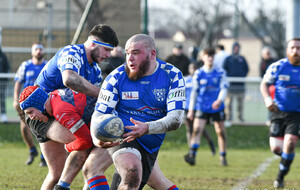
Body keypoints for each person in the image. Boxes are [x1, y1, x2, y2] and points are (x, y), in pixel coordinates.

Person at [27, 24, 119, 190]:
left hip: (63, 113)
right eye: (106, 49)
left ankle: (67, 185)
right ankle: (64, 186)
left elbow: (92, 104)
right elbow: (69, 79)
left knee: (56, 173)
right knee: (87, 142)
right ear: (93, 43)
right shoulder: (72, 52)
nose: (108, 55)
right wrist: (103, 94)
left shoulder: (96, 70)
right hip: (40, 113)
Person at [90, 34, 185, 189]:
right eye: (127, 53)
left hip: (151, 142)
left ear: (152, 54)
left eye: (135, 53)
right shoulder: (116, 77)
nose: (130, 58)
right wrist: (96, 138)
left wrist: (147, 128)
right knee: (131, 172)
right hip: (123, 134)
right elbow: (99, 114)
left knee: (152, 181)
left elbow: (176, 119)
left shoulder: (172, 75)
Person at [20, 86, 96, 190]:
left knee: (92, 168)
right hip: (104, 119)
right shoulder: (55, 96)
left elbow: (86, 141)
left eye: (30, 112)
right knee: (91, 169)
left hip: (109, 122)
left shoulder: (60, 110)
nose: (31, 117)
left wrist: (68, 147)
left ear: (38, 104)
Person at [260, 37, 300, 188]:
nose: (296, 51)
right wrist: (267, 100)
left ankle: (280, 177)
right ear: (287, 50)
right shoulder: (278, 67)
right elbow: (264, 83)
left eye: (299, 48)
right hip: (278, 112)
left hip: (296, 114)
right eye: (293, 48)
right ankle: (287, 159)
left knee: (290, 142)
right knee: (276, 148)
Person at [185, 48, 229, 166]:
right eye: (207, 55)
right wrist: (191, 110)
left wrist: (219, 100)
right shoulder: (199, 73)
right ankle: (192, 155)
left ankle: (223, 156)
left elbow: (224, 88)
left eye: (212, 56)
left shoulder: (220, 72)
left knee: (220, 131)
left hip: (217, 107)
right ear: (203, 57)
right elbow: (194, 92)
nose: (210, 58)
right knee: (197, 129)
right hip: (202, 105)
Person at [13, 42, 47, 166]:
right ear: (32, 52)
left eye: (40, 49)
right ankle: (32, 150)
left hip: (43, 104)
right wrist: (15, 99)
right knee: (24, 128)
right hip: (27, 105)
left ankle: (45, 157)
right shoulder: (25, 65)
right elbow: (18, 83)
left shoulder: (47, 66)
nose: (38, 51)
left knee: (43, 130)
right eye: (36, 49)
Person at [184, 62, 215, 155]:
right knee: (189, 128)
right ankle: (191, 150)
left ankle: (210, 142)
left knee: (199, 128)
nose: (193, 69)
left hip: (198, 107)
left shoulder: (200, 80)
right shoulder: (186, 80)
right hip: (187, 107)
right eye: (191, 68)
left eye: (194, 67)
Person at [223, 42, 249, 125]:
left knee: (240, 103)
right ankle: (229, 117)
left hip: (240, 85)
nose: (236, 49)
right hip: (230, 86)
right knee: (229, 103)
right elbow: (224, 70)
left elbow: (246, 69)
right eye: (235, 47)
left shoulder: (242, 59)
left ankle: (240, 117)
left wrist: (242, 76)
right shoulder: (228, 59)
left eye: (237, 47)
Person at [259, 47, 277, 126]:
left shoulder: (274, 62)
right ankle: (269, 118)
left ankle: (273, 118)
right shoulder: (262, 63)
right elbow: (261, 75)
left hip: (274, 87)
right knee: (268, 102)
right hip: (267, 87)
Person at [0, 45, 10, 123]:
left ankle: (3, 114)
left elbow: (7, 68)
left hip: (2, 81)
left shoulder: (3, 56)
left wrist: (6, 79)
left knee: (2, 98)